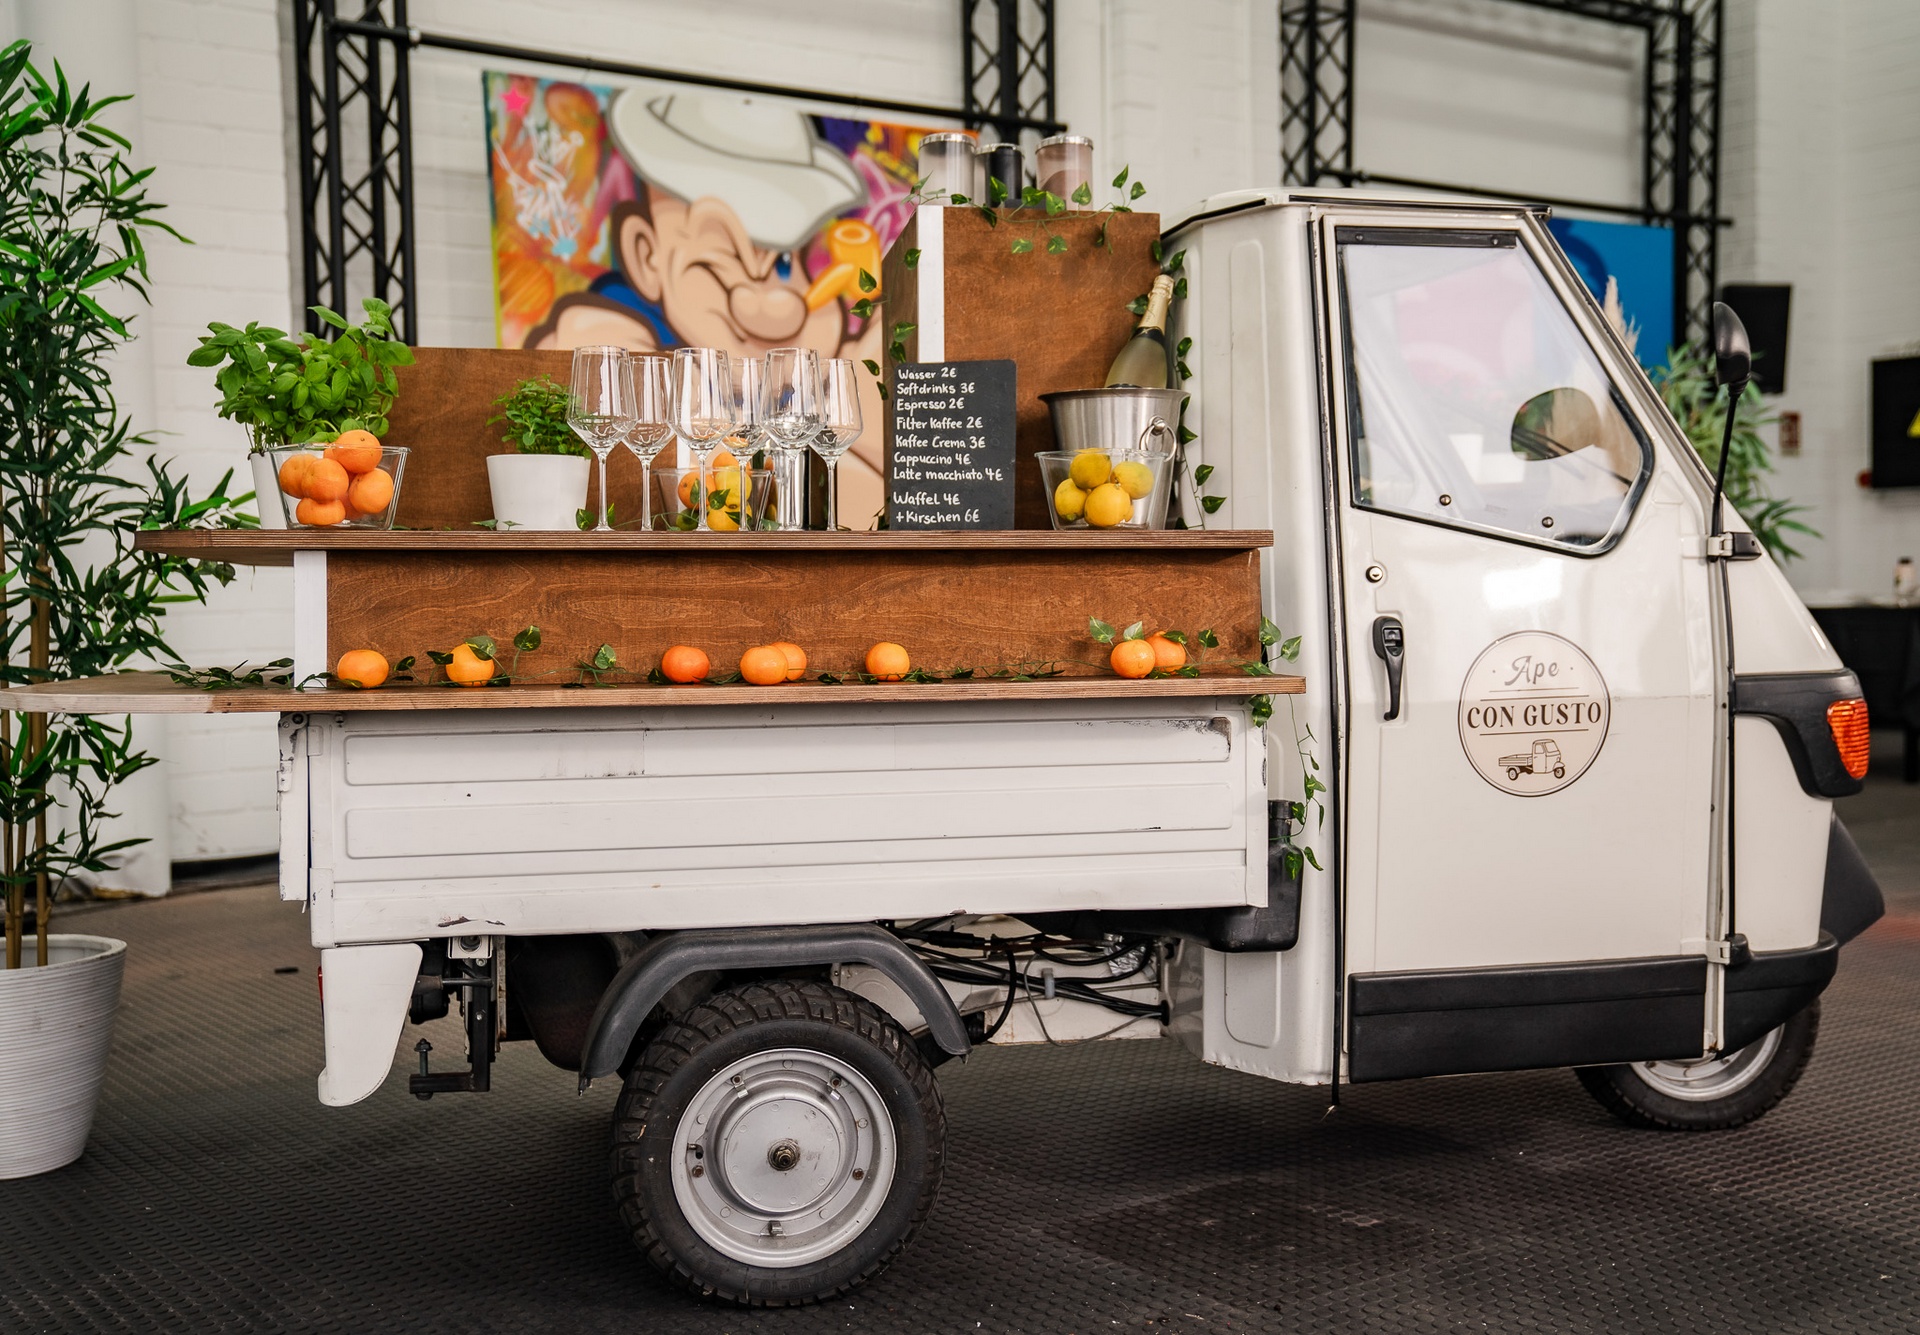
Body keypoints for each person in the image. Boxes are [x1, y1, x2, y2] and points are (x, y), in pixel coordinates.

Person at [528, 92, 888, 523]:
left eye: (783, 264)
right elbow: (589, 358)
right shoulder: (616, 332)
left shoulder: (794, 378)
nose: (775, 304)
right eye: (726, 257)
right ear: (646, 254)